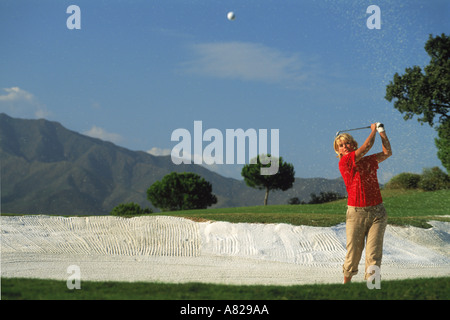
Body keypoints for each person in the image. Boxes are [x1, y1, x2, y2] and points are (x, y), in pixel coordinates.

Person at [333, 123, 392, 284]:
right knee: (353, 253)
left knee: (373, 254)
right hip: (356, 213)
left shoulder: (369, 160)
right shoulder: (345, 162)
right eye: (341, 145)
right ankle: (346, 285)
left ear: (353, 145)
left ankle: (372, 286)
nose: (345, 146)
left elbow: (387, 152)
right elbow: (367, 146)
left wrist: (382, 132)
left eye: (347, 143)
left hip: (378, 213)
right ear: (338, 151)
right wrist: (373, 130)